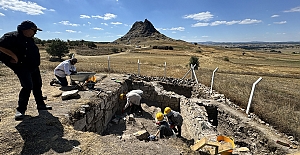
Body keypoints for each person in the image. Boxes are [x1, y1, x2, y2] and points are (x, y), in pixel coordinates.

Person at [0, 20, 52, 120]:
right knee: (27, 86)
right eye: (34, 30)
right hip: (22, 67)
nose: (35, 33)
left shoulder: (29, 38)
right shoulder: (11, 37)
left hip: (33, 66)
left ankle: (41, 105)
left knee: (37, 85)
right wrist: (14, 56)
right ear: (26, 29)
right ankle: (20, 110)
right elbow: (1, 46)